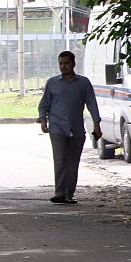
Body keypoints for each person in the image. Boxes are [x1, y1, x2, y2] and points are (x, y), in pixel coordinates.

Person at [37, 50, 101, 204]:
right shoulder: (52, 82)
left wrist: (97, 125)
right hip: (57, 127)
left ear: (73, 64)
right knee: (60, 160)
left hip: (76, 128)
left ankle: (69, 194)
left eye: (66, 63)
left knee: (73, 162)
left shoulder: (83, 83)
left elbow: (92, 104)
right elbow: (44, 104)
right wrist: (43, 120)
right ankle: (59, 193)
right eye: (60, 63)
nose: (63, 66)